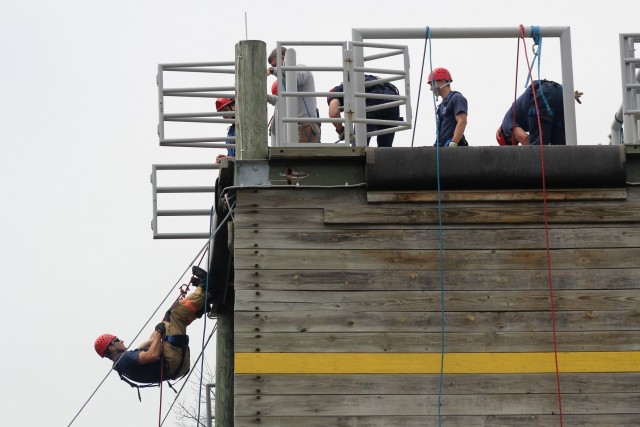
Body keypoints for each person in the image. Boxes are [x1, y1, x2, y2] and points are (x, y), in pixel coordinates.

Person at [94, 266, 214, 386]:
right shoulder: (124, 360)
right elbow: (153, 355)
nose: (121, 340)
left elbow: (151, 340)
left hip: (175, 367)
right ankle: (205, 289)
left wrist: (158, 330)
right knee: (177, 314)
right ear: (112, 348)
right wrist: (158, 332)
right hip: (172, 363)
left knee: (169, 315)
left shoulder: (124, 364)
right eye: (117, 340)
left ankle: (201, 304)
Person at [327, 75, 401, 147]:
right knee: (385, 150)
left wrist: (341, 130)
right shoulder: (364, 81)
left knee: (358, 148)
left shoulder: (337, 90)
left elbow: (333, 113)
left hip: (371, 97)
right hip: (392, 96)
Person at [267, 47, 321, 143]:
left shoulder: (301, 68)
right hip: (295, 127)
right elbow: (279, 100)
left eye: (276, 65)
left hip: (306, 125)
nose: (276, 68)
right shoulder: (285, 80)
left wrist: (272, 71)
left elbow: (294, 78)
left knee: (301, 156)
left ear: (284, 58)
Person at [496, 79, 566, 146]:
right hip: (559, 92)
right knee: (560, 147)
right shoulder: (514, 116)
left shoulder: (506, 126)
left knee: (538, 149)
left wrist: (528, 156)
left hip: (542, 97)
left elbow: (524, 138)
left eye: (514, 144)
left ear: (508, 138)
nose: (517, 143)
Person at [428, 67, 469, 147]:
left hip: (452, 146)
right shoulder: (442, 105)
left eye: (433, 84)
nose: (431, 88)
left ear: (443, 81)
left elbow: (462, 121)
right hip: (443, 146)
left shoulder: (456, 98)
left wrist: (454, 143)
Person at [215, 97, 236, 163]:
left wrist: (231, 159)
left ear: (233, 106)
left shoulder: (245, 126)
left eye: (226, 110)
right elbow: (233, 155)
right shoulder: (231, 132)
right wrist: (226, 158)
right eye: (222, 113)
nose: (224, 116)